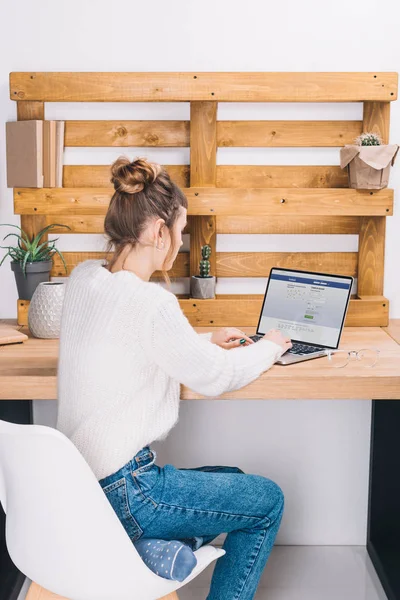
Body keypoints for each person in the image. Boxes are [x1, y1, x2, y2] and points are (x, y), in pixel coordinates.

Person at [56, 156, 292, 599]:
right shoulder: (151, 304)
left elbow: (129, 342)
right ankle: (146, 543)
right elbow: (216, 377)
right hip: (129, 490)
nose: (180, 243)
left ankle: (155, 548)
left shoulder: (84, 279)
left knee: (232, 477)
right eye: (180, 231)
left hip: (83, 488)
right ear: (158, 232)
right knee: (265, 501)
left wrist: (202, 339)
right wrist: (270, 347)